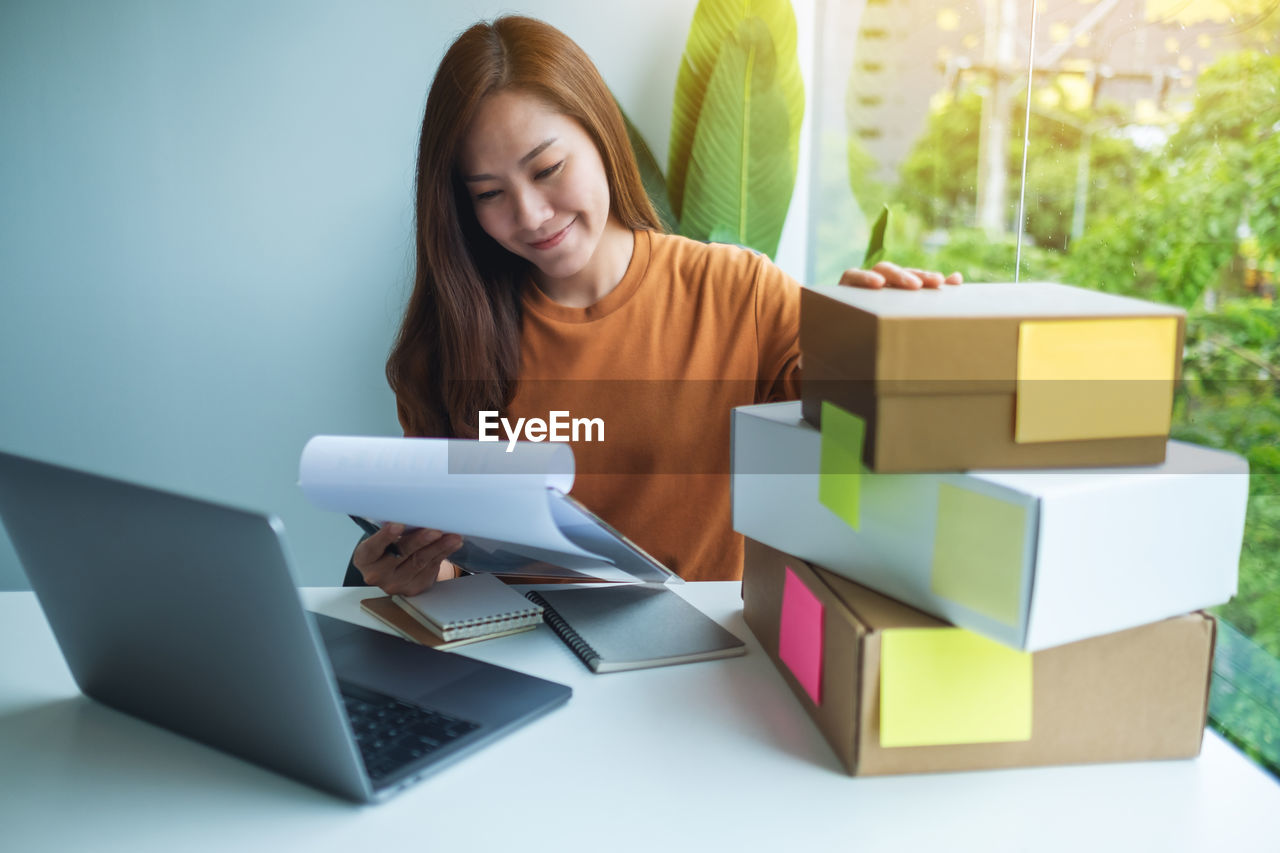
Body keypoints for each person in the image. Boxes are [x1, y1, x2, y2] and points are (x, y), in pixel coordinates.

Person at [347, 15, 960, 596]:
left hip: (704, 667)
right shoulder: (447, 343)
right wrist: (410, 574)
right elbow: (452, 562)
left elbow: (872, 453)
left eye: (549, 169)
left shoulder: (739, 295)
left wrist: (875, 337)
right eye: (489, 193)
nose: (530, 215)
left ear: (602, 134)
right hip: (522, 663)